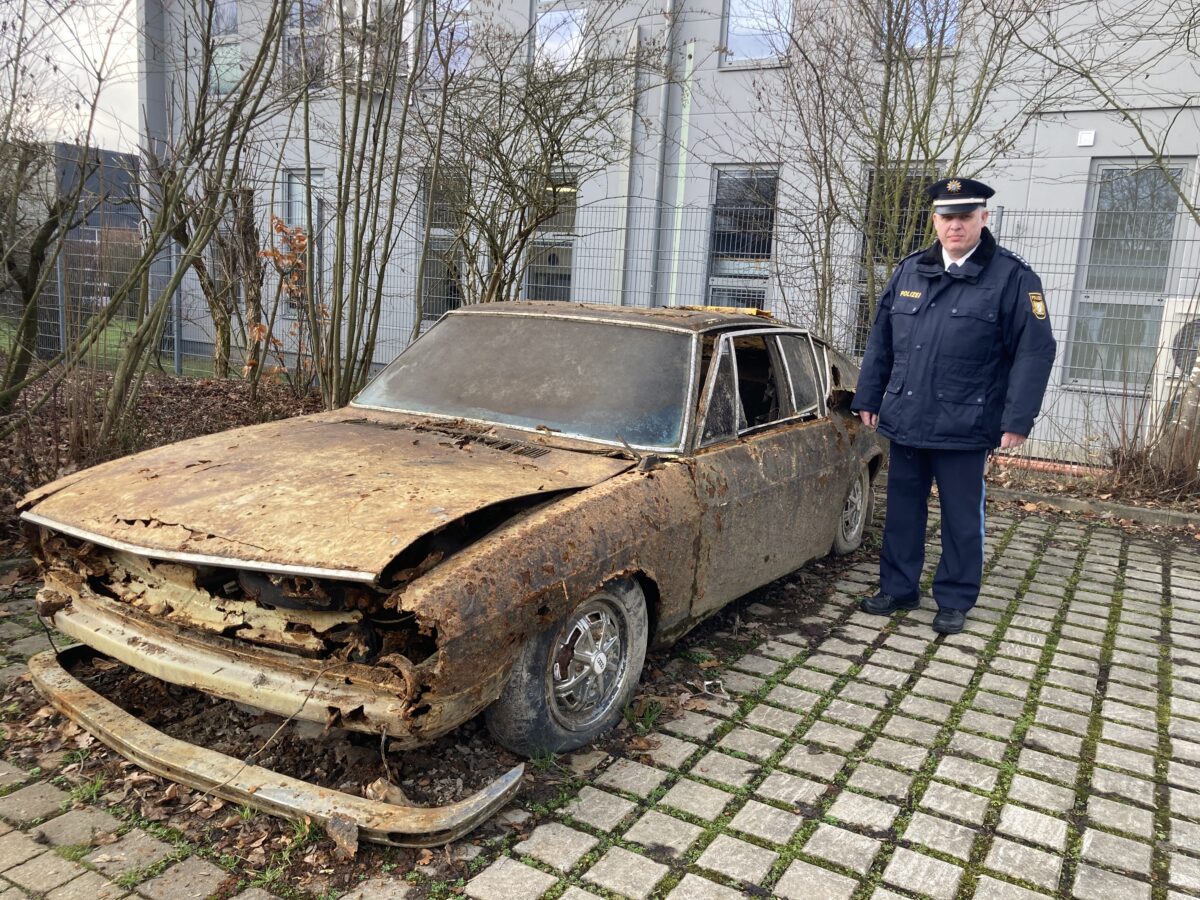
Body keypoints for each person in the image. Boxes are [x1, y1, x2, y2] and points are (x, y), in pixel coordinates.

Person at [851, 177, 1056, 634]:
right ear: (935, 221)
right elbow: (881, 338)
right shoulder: (910, 271)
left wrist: (1017, 418)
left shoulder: (1013, 278)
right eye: (946, 217)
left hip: (967, 422)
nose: (955, 226)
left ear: (984, 218)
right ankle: (898, 588)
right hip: (906, 417)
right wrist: (869, 394)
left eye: (965, 217)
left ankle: (956, 598)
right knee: (903, 510)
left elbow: (1035, 351)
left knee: (962, 518)